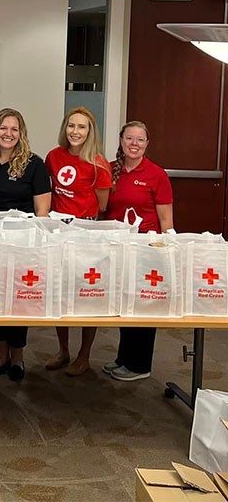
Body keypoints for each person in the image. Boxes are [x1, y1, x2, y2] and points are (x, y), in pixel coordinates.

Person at [0, 108, 51, 382]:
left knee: (18, 299)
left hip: (22, 242)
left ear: (21, 134)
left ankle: (18, 359)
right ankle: (1, 357)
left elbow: (42, 211)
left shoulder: (34, 164)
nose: (8, 134)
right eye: (3, 128)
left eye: (14, 129)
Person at [103, 120, 173, 382]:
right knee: (124, 303)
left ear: (147, 144)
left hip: (147, 249)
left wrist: (166, 251)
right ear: (121, 141)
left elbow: (166, 220)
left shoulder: (156, 175)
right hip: (118, 247)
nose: (134, 144)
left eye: (140, 139)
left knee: (143, 304)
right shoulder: (110, 170)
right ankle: (124, 358)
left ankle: (140, 365)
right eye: (129, 138)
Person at [45, 106, 111, 377]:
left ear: (90, 131)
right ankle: (63, 350)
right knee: (60, 291)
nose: (75, 131)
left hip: (87, 233)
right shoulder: (53, 156)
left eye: (82, 127)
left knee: (87, 294)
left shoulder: (98, 164)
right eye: (71, 125)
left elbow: (103, 204)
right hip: (58, 232)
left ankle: (84, 355)